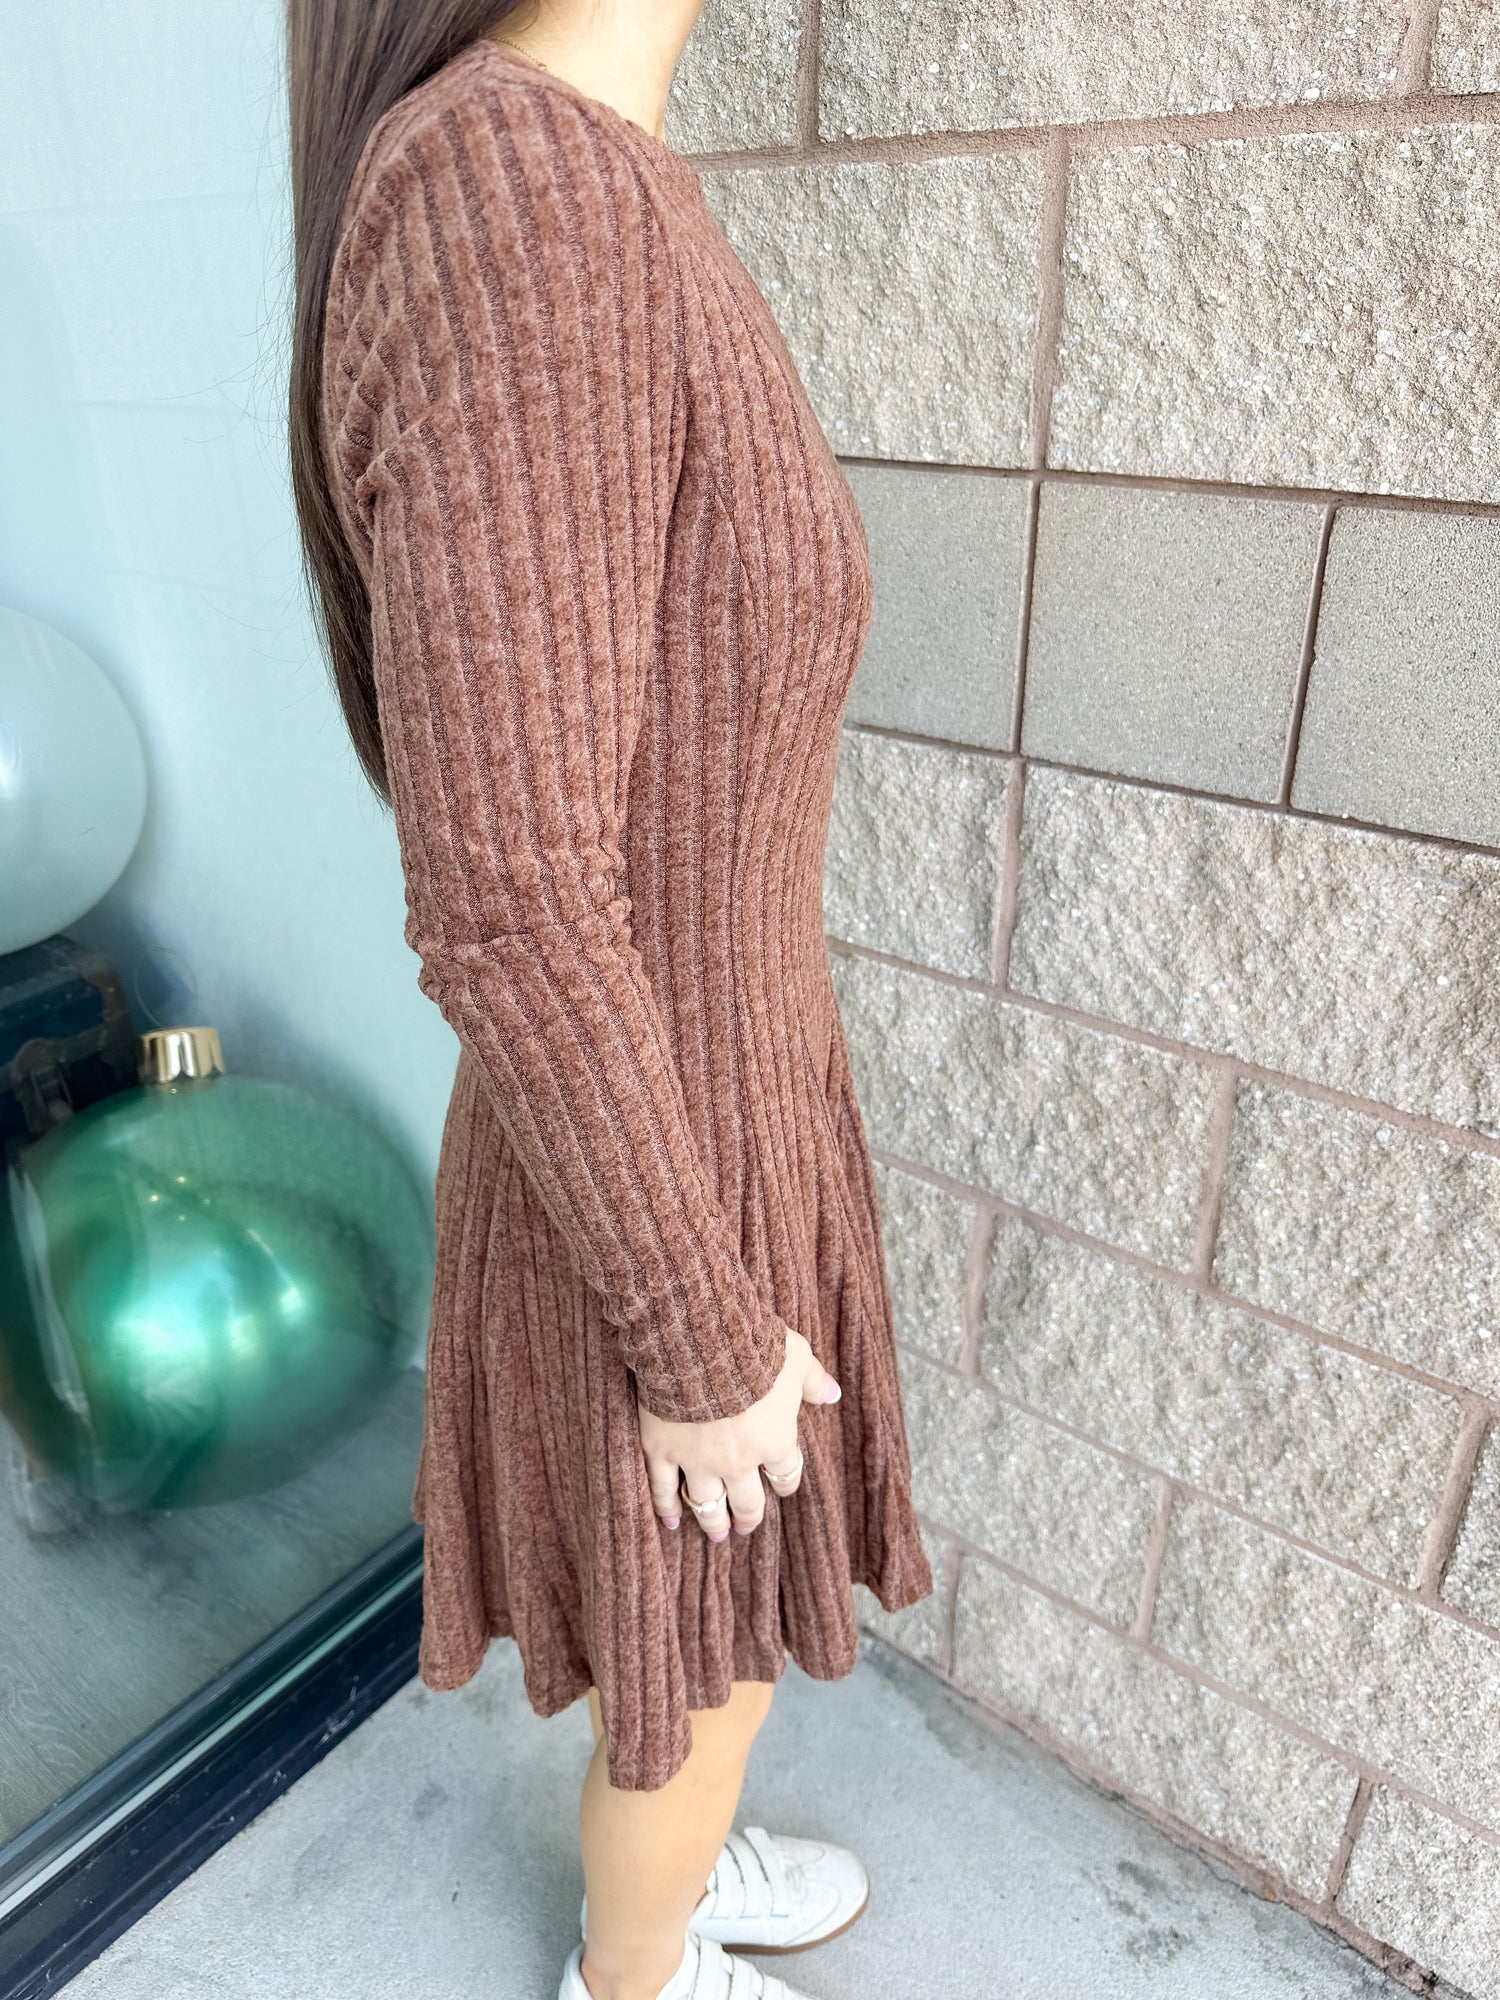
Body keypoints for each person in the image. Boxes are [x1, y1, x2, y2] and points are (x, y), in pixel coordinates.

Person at [285, 4, 932, 1996]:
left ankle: (675, 1889)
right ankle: (633, 1976)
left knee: (722, 1634)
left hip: (723, 1089)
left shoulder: (602, 187)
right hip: (652, 1160)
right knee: (700, 1664)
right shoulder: (516, 190)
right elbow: (509, 899)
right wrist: (693, 1325)